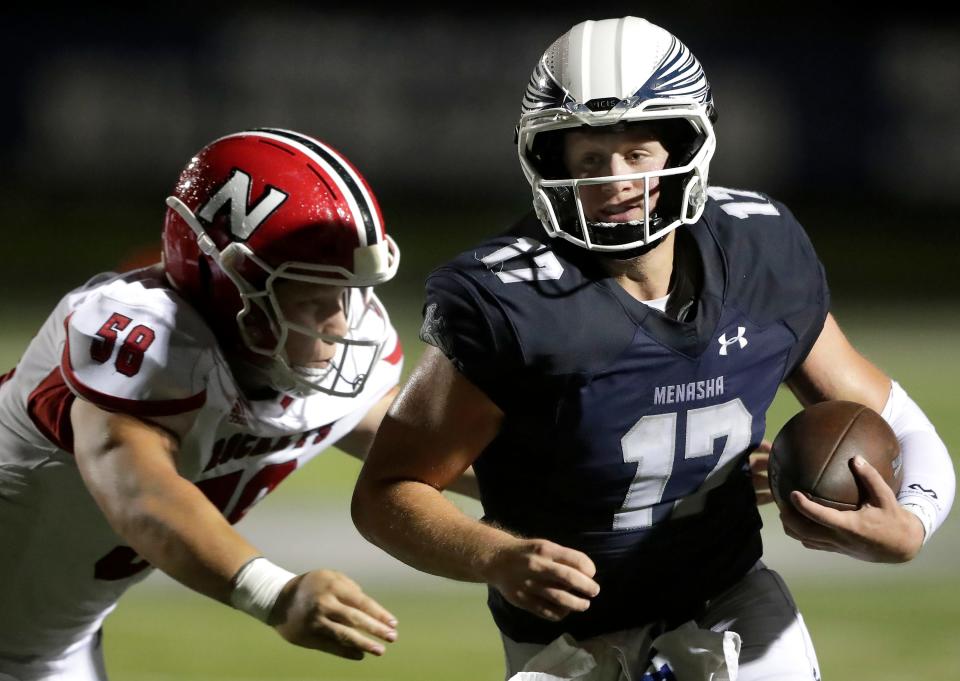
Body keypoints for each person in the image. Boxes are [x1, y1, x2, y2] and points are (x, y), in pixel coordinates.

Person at [351, 16, 956, 680]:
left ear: (683, 149)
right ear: (548, 160)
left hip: (731, 607)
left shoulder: (759, 253)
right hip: (564, 642)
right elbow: (388, 491)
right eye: (588, 157)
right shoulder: (508, 299)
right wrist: (492, 554)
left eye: (637, 153)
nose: (613, 181)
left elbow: (891, 413)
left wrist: (913, 521)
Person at [0, 128, 410, 680]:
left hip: (47, 645)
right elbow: (142, 492)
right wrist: (275, 594)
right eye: (315, 298)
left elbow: (421, 445)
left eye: (349, 295)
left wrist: (562, 489)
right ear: (229, 285)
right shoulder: (144, 339)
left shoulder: (307, 363)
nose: (341, 325)